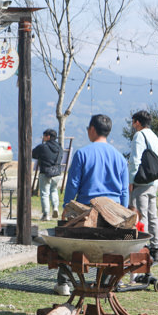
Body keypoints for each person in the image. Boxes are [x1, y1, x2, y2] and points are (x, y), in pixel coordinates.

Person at [55, 114, 129, 296]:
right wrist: (123, 214)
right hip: (113, 214)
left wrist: (67, 207)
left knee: (69, 244)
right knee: (109, 248)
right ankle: (104, 283)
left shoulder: (82, 154)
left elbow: (73, 185)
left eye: (88, 128)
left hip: (86, 212)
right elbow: (124, 191)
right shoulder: (120, 157)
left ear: (93, 129)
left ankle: (64, 282)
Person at [129, 110, 158, 262]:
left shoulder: (139, 136)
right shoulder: (154, 136)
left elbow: (135, 160)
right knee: (152, 215)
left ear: (137, 122)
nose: (132, 125)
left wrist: (131, 180)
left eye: (133, 122)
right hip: (153, 181)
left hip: (141, 181)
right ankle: (155, 247)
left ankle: (141, 246)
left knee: (140, 215)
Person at [31, 128, 63, 221]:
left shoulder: (43, 147)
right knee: (54, 190)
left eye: (44, 136)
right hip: (57, 173)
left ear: (48, 136)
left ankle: (46, 215)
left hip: (45, 172)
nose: (43, 137)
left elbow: (33, 154)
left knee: (44, 193)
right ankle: (55, 208)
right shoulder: (59, 147)